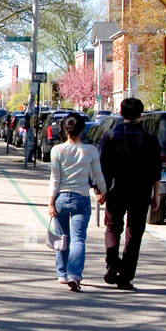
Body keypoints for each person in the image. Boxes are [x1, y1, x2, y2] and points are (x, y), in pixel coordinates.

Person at [98, 97, 163, 290]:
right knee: (134, 233)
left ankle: (112, 263)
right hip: (141, 191)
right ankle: (126, 277)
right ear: (140, 115)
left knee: (112, 227)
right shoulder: (150, 138)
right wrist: (156, 194)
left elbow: (104, 167)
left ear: (120, 113)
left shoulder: (109, 136)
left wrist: (101, 191)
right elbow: (155, 169)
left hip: (116, 189)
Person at [48, 114, 107, 291]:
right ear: (82, 129)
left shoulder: (57, 150)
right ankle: (75, 275)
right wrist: (103, 192)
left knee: (62, 237)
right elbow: (98, 175)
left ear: (64, 129)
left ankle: (61, 273)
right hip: (81, 198)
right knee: (78, 239)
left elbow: (54, 178)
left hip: (61, 198)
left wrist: (50, 202)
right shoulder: (91, 150)